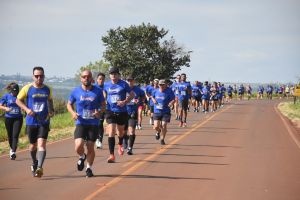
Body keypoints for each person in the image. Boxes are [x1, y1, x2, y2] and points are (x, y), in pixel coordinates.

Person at [16, 66, 54, 178]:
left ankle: (40, 167)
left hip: (44, 121)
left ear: (44, 76)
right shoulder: (27, 88)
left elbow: (50, 100)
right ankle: (34, 162)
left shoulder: (47, 89)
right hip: (31, 121)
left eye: (41, 76)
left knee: (41, 144)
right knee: (33, 146)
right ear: (33, 76)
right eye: (36, 76)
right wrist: (27, 109)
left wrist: (51, 110)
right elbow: (18, 100)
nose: (39, 78)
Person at [67, 70, 105, 177]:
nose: (86, 79)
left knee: (90, 146)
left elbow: (103, 104)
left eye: (88, 77)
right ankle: (82, 156)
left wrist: (99, 112)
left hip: (93, 123)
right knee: (78, 145)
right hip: (81, 122)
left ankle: (89, 168)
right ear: (81, 78)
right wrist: (73, 113)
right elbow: (69, 104)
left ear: (91, 78)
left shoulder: (97, 91)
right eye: (84, 77)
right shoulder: (76, 91)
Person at [103, 67, 135, 163]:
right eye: (111, 74)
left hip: (121, 111)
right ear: (110, 75)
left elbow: (132, 94)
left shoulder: (123, 84)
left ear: (118, 75)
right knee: (111, 131)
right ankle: (111, 155)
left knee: (120, 132)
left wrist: (125, 101)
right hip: (110, 110)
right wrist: (104, 100)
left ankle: (120, 143)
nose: (113, 76)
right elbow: (103, 92)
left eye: (115, 74)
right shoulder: (106, 85)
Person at [123, 75, 145, 155]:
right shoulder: (123, 89)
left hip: (132, 112)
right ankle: (125, 139)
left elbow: (143, 96)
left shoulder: (138, 89)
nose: (130, 82)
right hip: (123, 112)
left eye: (131, 80)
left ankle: (130, 148)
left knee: (131, 131)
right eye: (128, 80)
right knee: (123, 131)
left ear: (133, 81)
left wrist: (140, 100)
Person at [0, 82, 23, 160]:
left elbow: (25, 104)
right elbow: (0, 105)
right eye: (13, 91)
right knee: (10, 136)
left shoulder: (20, 96)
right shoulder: (6, 96)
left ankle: (13, 151)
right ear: (10, 90)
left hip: (18, 118)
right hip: (8, 118)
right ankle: (11, 149)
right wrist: (6, 108)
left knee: (15, 135)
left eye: (16, 91)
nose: (15, 93)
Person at [151, 79, 175, 145]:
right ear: (158, 85)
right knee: (156, 126)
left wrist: (171, 103)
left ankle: (162, 139)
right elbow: (152, 96)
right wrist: (153, 100)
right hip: (157, 111)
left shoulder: (169, 91)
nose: (161, 86)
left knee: (164, 125)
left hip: (166, 111)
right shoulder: (155, 91)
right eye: (160, 84)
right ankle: (158, 131)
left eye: (162, 84)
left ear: (165, 85)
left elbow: (173, 99)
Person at [94, 72, 106, 149]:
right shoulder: (93, 87)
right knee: (93, 124)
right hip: (94, 109)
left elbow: (106, 96)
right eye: (100, 79)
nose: (101, 80)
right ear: (97, 79)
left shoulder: (106, 87)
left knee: (100, 124)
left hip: (102, 109)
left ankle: (99, 140)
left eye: (103, 79)